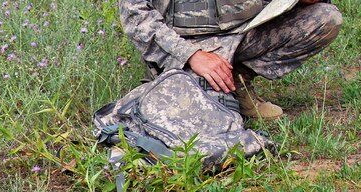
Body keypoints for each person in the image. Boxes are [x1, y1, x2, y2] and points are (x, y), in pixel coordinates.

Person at [118, 0, 342, 119]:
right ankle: (182, 81)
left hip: (247, 31)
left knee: (325, 18)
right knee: (201, 121)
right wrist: (190, 55)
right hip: (188, 45)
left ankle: (239, 79)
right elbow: (136, 16)